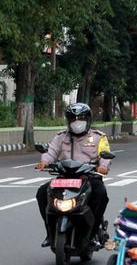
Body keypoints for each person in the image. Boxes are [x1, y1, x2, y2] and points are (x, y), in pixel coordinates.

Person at [35, 103, 111, 247]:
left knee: (101, 194)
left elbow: (105, 155)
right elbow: (50, 152)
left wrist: (102, 166)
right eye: (73, 119)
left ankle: (93, 234)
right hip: (65, 178)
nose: (77, 122)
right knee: (41, 193)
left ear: (88, 120)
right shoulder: (60, 137)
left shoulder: (98, 137)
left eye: (81, 119)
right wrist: (44, 162)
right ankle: (50, 234)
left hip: (89, 178)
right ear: (68, 121)